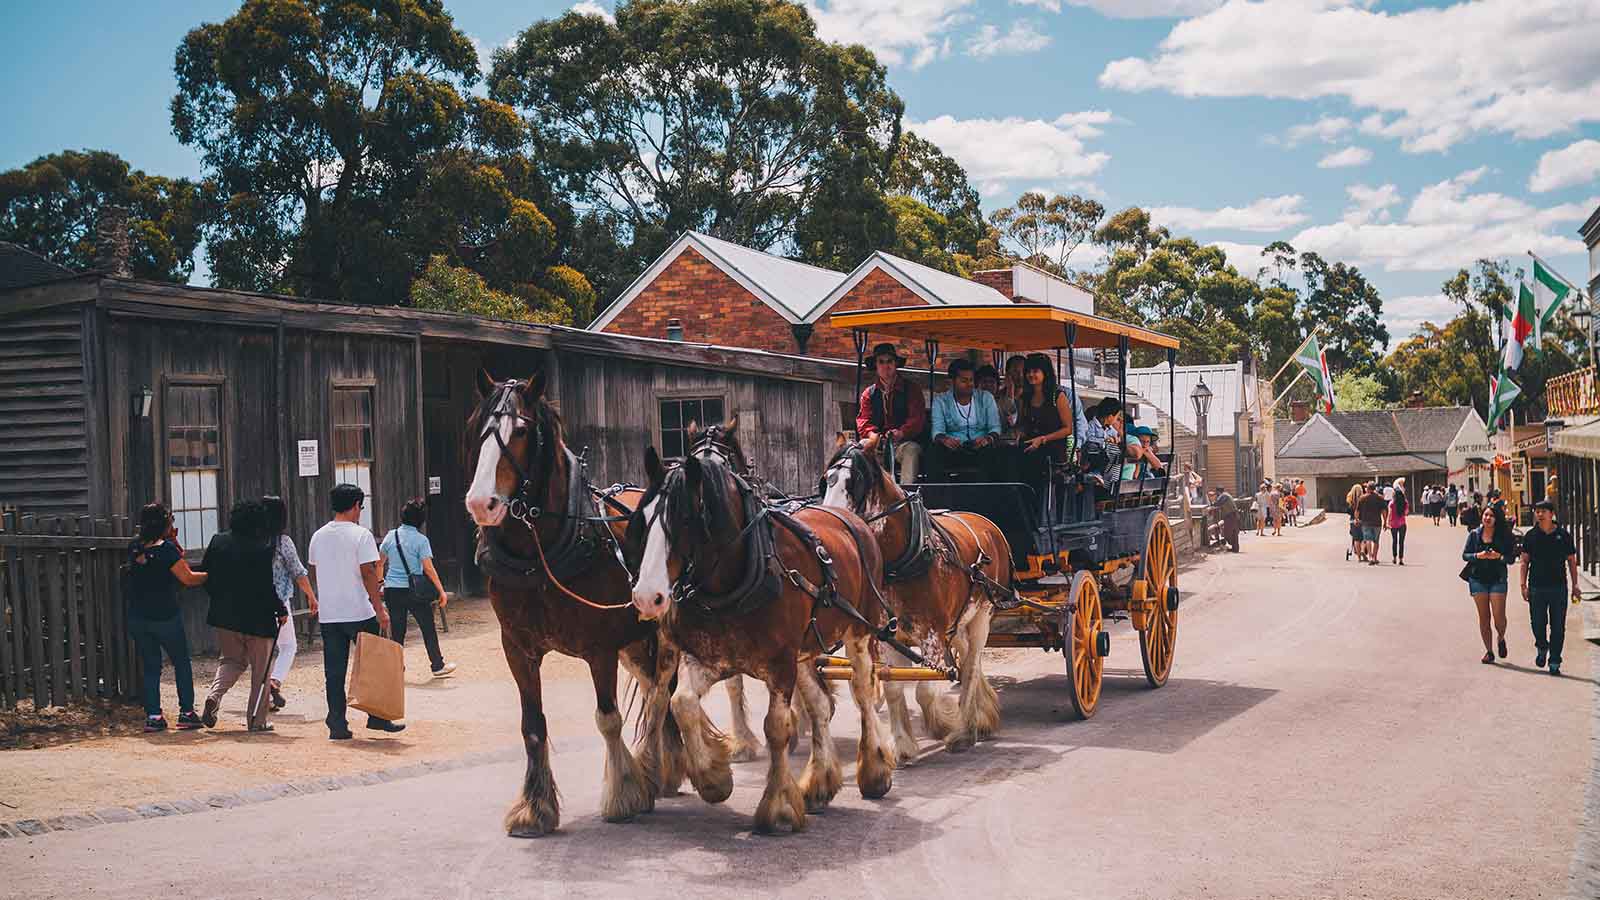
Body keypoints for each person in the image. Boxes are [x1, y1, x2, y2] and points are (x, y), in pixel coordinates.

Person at [308, 483, 404, 739]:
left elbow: (315, 570)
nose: (360, 511)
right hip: (360, 611)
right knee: (373, 665)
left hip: (330, 614)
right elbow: (368, 573)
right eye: (360, 506)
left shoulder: (318, 535)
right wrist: (379, 607)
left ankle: (337, 723)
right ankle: (378, 717)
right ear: (354, 506)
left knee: (334, 671)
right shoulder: (361, 535)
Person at [200, 500, 287, 733]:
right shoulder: (262, 547)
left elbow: (206, 574)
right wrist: (280, 609)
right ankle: (256, 721)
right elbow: (266, 587)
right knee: (262, 671)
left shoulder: (218, 540)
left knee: (231, 661)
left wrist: (218, 598)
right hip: (258, 620)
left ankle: (214, 696)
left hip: (224, 616)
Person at [126, 503, 208, 732]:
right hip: (165, 616)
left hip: (138, 616)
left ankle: (154, 716)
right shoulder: (167, 550)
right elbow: (188, 579)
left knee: (151, 667)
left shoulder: (134, 547)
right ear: (164, 523)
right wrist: (211, 575)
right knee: (181, 662)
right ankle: (187, 713)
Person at [378, 497, 457, 679]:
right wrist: (441, 591)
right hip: (415, 591)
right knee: (427, 627)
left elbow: (379, 562)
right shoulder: (421, 540)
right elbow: (428, 568)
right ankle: (437, 666)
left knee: (397, 631)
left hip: (392, 590)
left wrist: (380, 583)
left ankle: (396, 669)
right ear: (421, 520)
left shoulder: (391, 536)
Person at [262, 496, 315, 712]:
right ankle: (273, 682)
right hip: (278, 603)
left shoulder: (252, 540)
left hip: (252, 602)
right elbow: (298, 572)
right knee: (288, 646)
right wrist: (312, 596)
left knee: (260, 652)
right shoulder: (282, 542)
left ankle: (263, 694)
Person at [1519, 499, 1579, 676]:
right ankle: (1542, 647)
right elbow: (1524, 561)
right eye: (1537, 511)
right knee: (1537, 623)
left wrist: (1575, 585)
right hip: (1536, 587)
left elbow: (1572, 561)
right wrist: (1523, 585)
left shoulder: (1563, 535)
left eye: (1543, 511)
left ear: (1551, 514)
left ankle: (1554, 660)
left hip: (1558, 587)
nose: (1539, 514)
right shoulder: (1530, 535)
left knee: (1558, 626)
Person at [855, 342, 926, 485]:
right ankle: (867, 494)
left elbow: (917, 419)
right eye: (881, 362)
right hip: (878, 445)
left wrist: (900, 433)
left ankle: (906, 494)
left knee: (911, 450)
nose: (885, 366)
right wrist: (874, 436)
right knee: (862, 445)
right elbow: (863, 421)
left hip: (903, 444)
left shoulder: (912, 389)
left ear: (895, 364)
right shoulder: (869, 394)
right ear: (876, 365)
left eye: (889, 361)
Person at [929, 358, 1004, 481]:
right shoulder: (941, 401)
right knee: (933, 452)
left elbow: (995, 427)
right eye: (964, 380)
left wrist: (987, 439)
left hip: (980, 448)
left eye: (971, 380)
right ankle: (938, 496)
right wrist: (945, 440)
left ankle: (988, 495)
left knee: (996, 454)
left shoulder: (986, 397)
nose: (969, 384)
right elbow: (937, 431)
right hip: (953, 450)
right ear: (951, 382)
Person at [1015, 354, 1076, 506]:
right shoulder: (1025, 397)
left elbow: (1068, 429)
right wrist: (1019, 433)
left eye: (1035, 371)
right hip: (1030, 446)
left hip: (1052, 450)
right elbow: (1022, 424)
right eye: (1028, 371)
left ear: (1045, 373)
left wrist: (1043, 439)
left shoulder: (1058, 396)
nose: (1031, 375)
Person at [1463, 505, 1516, 665]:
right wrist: (1477, 555)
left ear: (1496, 518)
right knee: (1484, 618)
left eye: (1491, 516)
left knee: (1499, 618)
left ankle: (1501, 637)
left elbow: (1511, 558)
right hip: (1477, 579)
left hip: (1497, 579)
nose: (1487, 518)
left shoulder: (1503, 536)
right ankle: (1489, 651)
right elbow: (1465, 555)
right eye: (1485, 515)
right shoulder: (1474, 535)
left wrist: (1498, 557)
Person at [1355, 482, 1386, 567]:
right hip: (1377, 522)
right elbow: (1384, 511)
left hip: (1366, 523)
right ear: (1374, 488)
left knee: (1368, 540)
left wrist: (1356, 519)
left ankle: (1370, 557)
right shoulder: (1380, 498)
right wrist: (1385, 522)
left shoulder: (1362, 498)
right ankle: (1375, 558)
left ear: (1368, 489)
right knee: (1376, 541)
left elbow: (1357, 511)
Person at [1208, 487, 1241, 552]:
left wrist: (1211, 504)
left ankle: (1233, 546)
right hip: (1233, 515)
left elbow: (1218, 503)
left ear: (1218, 492)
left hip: (1230, 516)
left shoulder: (1224, 495)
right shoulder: (1226, 495)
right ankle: (1235, 548)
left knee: (1227, 533)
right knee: (1234, 532)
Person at [1388, 478, 1409, 565]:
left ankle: (1394, 558)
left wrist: (1387, 523)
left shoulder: (1392, 503)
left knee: (1394, 541)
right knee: (1401, 542)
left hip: (1393, 524)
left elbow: (1390, 514)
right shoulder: (1405, 502)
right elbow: (1406, 513)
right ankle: (1401, 559)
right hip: (1402, 524)